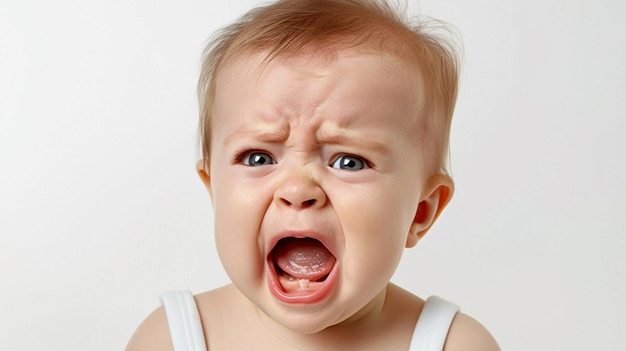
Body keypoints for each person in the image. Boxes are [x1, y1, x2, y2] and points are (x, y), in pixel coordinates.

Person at [127, 0, 500, 350]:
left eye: (349, 162)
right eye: (258, 157)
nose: (297, 189)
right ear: (215, 192)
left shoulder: (453, 344)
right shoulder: (171, 338)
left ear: (421, 211)